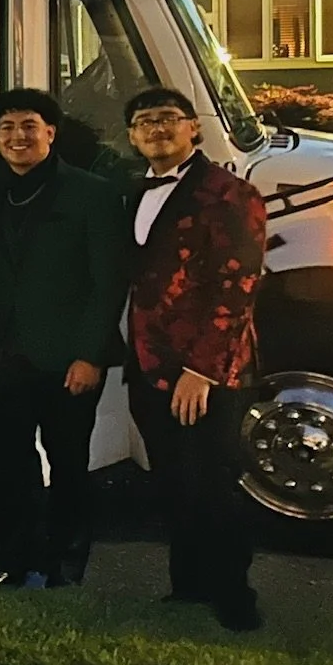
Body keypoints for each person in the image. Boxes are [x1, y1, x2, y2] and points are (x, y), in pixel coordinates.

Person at [0, 88, 128, 587]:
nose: (18, 137)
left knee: (69, 464)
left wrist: (90, 355)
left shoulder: (92, 193)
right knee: (6, 465)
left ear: (51, 133)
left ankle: (66, 563)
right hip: (2, 355)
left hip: (68, 358)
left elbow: (108, 283)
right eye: (7, 127)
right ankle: (11, 560)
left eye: (29, 126)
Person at [123, 87, 267, 631]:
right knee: (173, 481)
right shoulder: (134, 192)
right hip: (149, 365)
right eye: (145, 121)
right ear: (132, 136)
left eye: (168, 118)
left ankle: (234, 598)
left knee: (213, 484)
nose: (157, 129)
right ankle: (187, 586)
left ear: (194, 128)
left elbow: (237, 287)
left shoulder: (229, 194)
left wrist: (202, 371)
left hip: (207, 372)